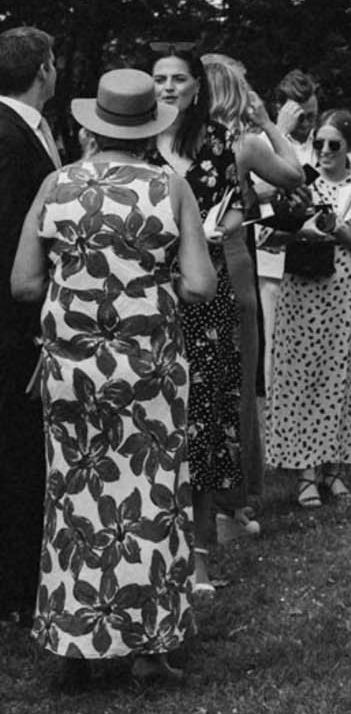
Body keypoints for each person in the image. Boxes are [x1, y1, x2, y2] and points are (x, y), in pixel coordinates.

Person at [11, 68, 216, 685]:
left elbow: (23, 284)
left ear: (92, 124)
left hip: (73, 368)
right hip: (148, 365)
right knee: (150, 494)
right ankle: (148, 650)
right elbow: (203, 284)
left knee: (75, 497)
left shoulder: (56, 184)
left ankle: (76, 649)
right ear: (150, 124)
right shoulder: (170, 186)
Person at [152, 42, 247, 595]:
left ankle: (201, 555)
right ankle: (156, 546)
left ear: (196, 86)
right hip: (151, 296)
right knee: (161, 423)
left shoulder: (215, 141)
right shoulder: (134, 142)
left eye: (178, 79)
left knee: (206, 419)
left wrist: (219, 229)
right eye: (159, 78)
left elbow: (236, 204)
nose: (168, 87)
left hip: (206, 290)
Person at [201, 54, 305, 533]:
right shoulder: (242, 143)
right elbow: (294, 174)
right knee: (238, 376)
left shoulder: (173, 144)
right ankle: (234, 501)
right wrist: (270, 123)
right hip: (233, 263)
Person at [265, 109, 351, 505]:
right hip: (302, 290)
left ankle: (334, 469)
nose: (325, 151)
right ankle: (304, 470)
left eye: (334, 144)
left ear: (349, 145)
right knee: (302, 378)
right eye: (319, 144)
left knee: (342, 377)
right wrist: (298, 229)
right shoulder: (300, 179)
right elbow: (269, 235)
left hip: (344, 293)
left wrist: (346, 236)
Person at [0, 26, 62, 629]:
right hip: (14, 319)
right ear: (44, 68)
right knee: (16, 449)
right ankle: (16, 586)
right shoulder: (6, 133)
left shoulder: (34, 130)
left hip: (28, 315)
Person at [256, 69, 320, 386]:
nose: (307, 125)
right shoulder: (260, 141)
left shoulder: (321, 146)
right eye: (301, 119)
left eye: (312, 117)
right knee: (274, 341)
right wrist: (279, 131)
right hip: (272, 258)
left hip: (315, 256)